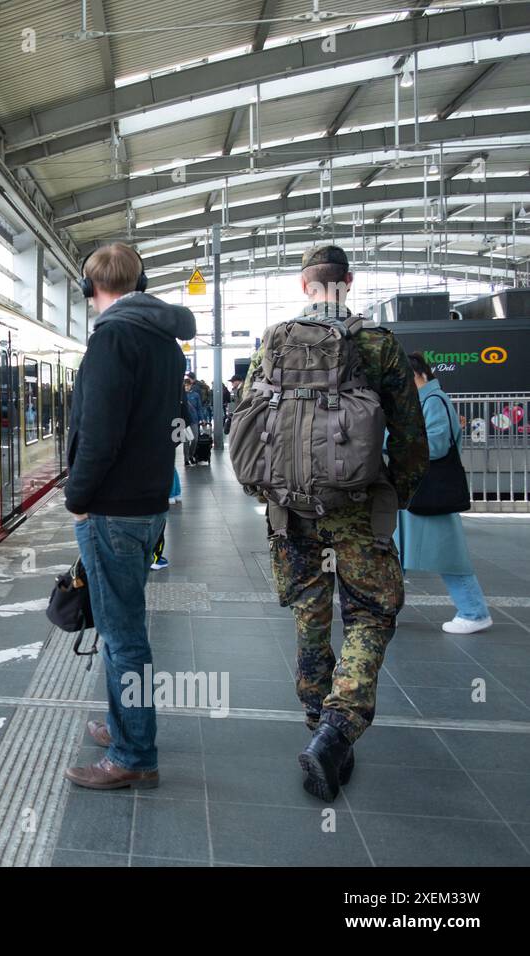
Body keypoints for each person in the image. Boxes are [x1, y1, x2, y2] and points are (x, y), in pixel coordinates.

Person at [236, 245, 428, 802]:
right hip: (358, 511)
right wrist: (397, 497)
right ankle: (337, 730)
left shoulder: (273, 339)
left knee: (310, 614)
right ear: (348, 281)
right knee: (370, 615)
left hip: (291, 512)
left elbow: (249, 420)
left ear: (304, 286)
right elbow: (411, 439)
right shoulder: (377, 344)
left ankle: (316, 723)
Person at [64, 242, 196, 790]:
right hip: (146, 507)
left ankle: (134, 754)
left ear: (90, 289)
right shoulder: (166, 345)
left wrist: (77, 495)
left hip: (112, 510)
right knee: (125, 629)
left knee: (123, 638)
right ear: (139, 284)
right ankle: (125, 725)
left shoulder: (112, 340)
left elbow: (99, 433)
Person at [396, 353, 493, 634]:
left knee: (449, 557)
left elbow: (435, 445)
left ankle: (474, 612)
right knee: (397, 555)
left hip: (427, 492)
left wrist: (399, 444)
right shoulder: (426, 400)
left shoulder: (433, 401)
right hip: (420, 492)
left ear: (417, 375)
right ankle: (386, 611)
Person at [182, 379, 204, 465]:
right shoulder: (181, 395)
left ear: (191, 385)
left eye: (188, 385)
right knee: (186, 440)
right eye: (185, 385)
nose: (186, 387)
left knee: (195, 439)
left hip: (194, 420)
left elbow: (199, 408)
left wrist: (202, 419)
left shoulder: (196, 395)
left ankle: (191, 455)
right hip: (185, 420)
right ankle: (186, 459)